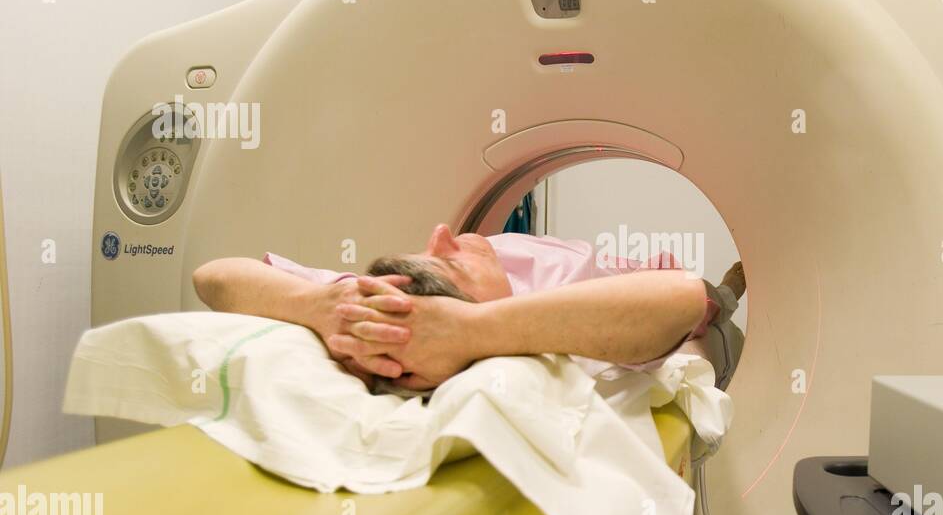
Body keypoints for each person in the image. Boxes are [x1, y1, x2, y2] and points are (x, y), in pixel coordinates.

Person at [192, 223, 745, 393]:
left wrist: (316, 302)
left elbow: (212, 276)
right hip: (636, 279)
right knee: (712, 306)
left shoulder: (363, 302)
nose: (442, 234)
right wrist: (473, 331)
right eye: (448, 263)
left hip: (529, 256)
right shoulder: (555, 309)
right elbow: (678, 296)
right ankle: (732, 290)